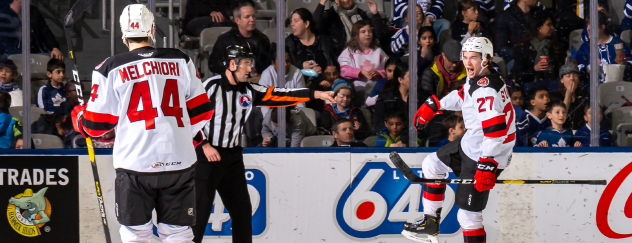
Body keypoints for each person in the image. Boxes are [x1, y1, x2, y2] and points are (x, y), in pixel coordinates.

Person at [70, 4, 214, 242]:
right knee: (178, 234)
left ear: (123, 33)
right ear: (153, 30)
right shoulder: (181, 60)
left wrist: (79, 117)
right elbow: (202, 111)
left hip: (135, 165)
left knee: (136, 235)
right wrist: (178, 135)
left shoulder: (109, 67)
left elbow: (96, 126)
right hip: (179, 163)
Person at [194, 44, 334, 243]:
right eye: (246, 64)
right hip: (207, 156)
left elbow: (282, 94)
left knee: (242, 212)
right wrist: (204, 145)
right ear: (232, 64)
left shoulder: (250, 90)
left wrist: (316, 95)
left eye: (250, 63)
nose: (250, 69)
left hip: (232, 157)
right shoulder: (211, 86)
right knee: (199, 213)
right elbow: (189, 117)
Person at [403, 37, 516, 243]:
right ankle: (430, 221)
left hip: (484, 155)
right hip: (471, 145)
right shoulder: (480, 79)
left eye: (473, 57)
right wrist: (436, 104)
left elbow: (497, 129)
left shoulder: (486, 89)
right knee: (432, 165)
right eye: (465, 57)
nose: (467, 62)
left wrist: (488, 164)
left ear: (486, 59)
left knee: (468, 216)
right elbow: (464, 94)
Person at [208, 1, 271, 76]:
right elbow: (213, 65)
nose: (252, 20)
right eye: (247, 17)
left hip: (257, 81)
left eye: (253, 16)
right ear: (237, 20)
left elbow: (268, 65)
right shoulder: (225, 40)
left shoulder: (262, 39)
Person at [314, 0, 389, 57]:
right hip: (340, 57)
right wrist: (322, 3)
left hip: (364, 55)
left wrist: (375, 14)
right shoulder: (329, 15)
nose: (346, 0)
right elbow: (315, 28)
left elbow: (380, 35)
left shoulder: (361, 14)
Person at [576, 11, 631, 82]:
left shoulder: (617, 43)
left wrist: (624, 64)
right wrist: (590, 67)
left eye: (592, 26)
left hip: (617, 87)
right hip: (593, 89)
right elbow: (578, 68)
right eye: (587, 25)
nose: (588, 29)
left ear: (602, 27)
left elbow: (630, 62)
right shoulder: (585, 47)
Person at [373, 63, 429, 132]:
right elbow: (379, 123)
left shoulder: (424, 97)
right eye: (411, 76)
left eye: (416, 75)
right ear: (400, 80)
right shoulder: (386, 98)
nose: (416, 78)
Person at [513, 10, 564, 85]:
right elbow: (519, 74)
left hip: (552, 84)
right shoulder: (523, 47)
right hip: (530, 86)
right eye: (548, 25)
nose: (552, 27)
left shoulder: (553, 45)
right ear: (538, 27)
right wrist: (534, 69)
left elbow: (560, 68)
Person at [338, 20, 389, 95]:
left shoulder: (378, 51)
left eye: (370, 31)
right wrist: (360, 72)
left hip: (377, 84)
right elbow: (343, 70)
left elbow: (389, 68)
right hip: (357, 85)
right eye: (363, 32)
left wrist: (378, 73)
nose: (367, 34)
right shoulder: (349, 51)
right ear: (356, 35)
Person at [286, 8, 337, 81]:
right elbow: (284, 65)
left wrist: (322, 70)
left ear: (306, 24)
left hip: (325, 82)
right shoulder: (289, 42)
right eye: (291, 21)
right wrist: (301, 66)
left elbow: (333, 64)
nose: (291, 24)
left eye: (296, 21)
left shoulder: (324, 41)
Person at [258, 44, 306, 116]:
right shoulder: (266, 75)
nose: (285, 64)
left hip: (291, 112)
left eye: (288, 61)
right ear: (273, 63)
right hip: (271, 112)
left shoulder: (297, 73)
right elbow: (264, 107)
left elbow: (301, 104)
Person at [550, 63, 588, 130]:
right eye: (568, 76)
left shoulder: (585, 96)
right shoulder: (554, 96)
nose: (572, 79)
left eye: (575, 75)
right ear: (562, 80)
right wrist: (568, 95)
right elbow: (560, 118)